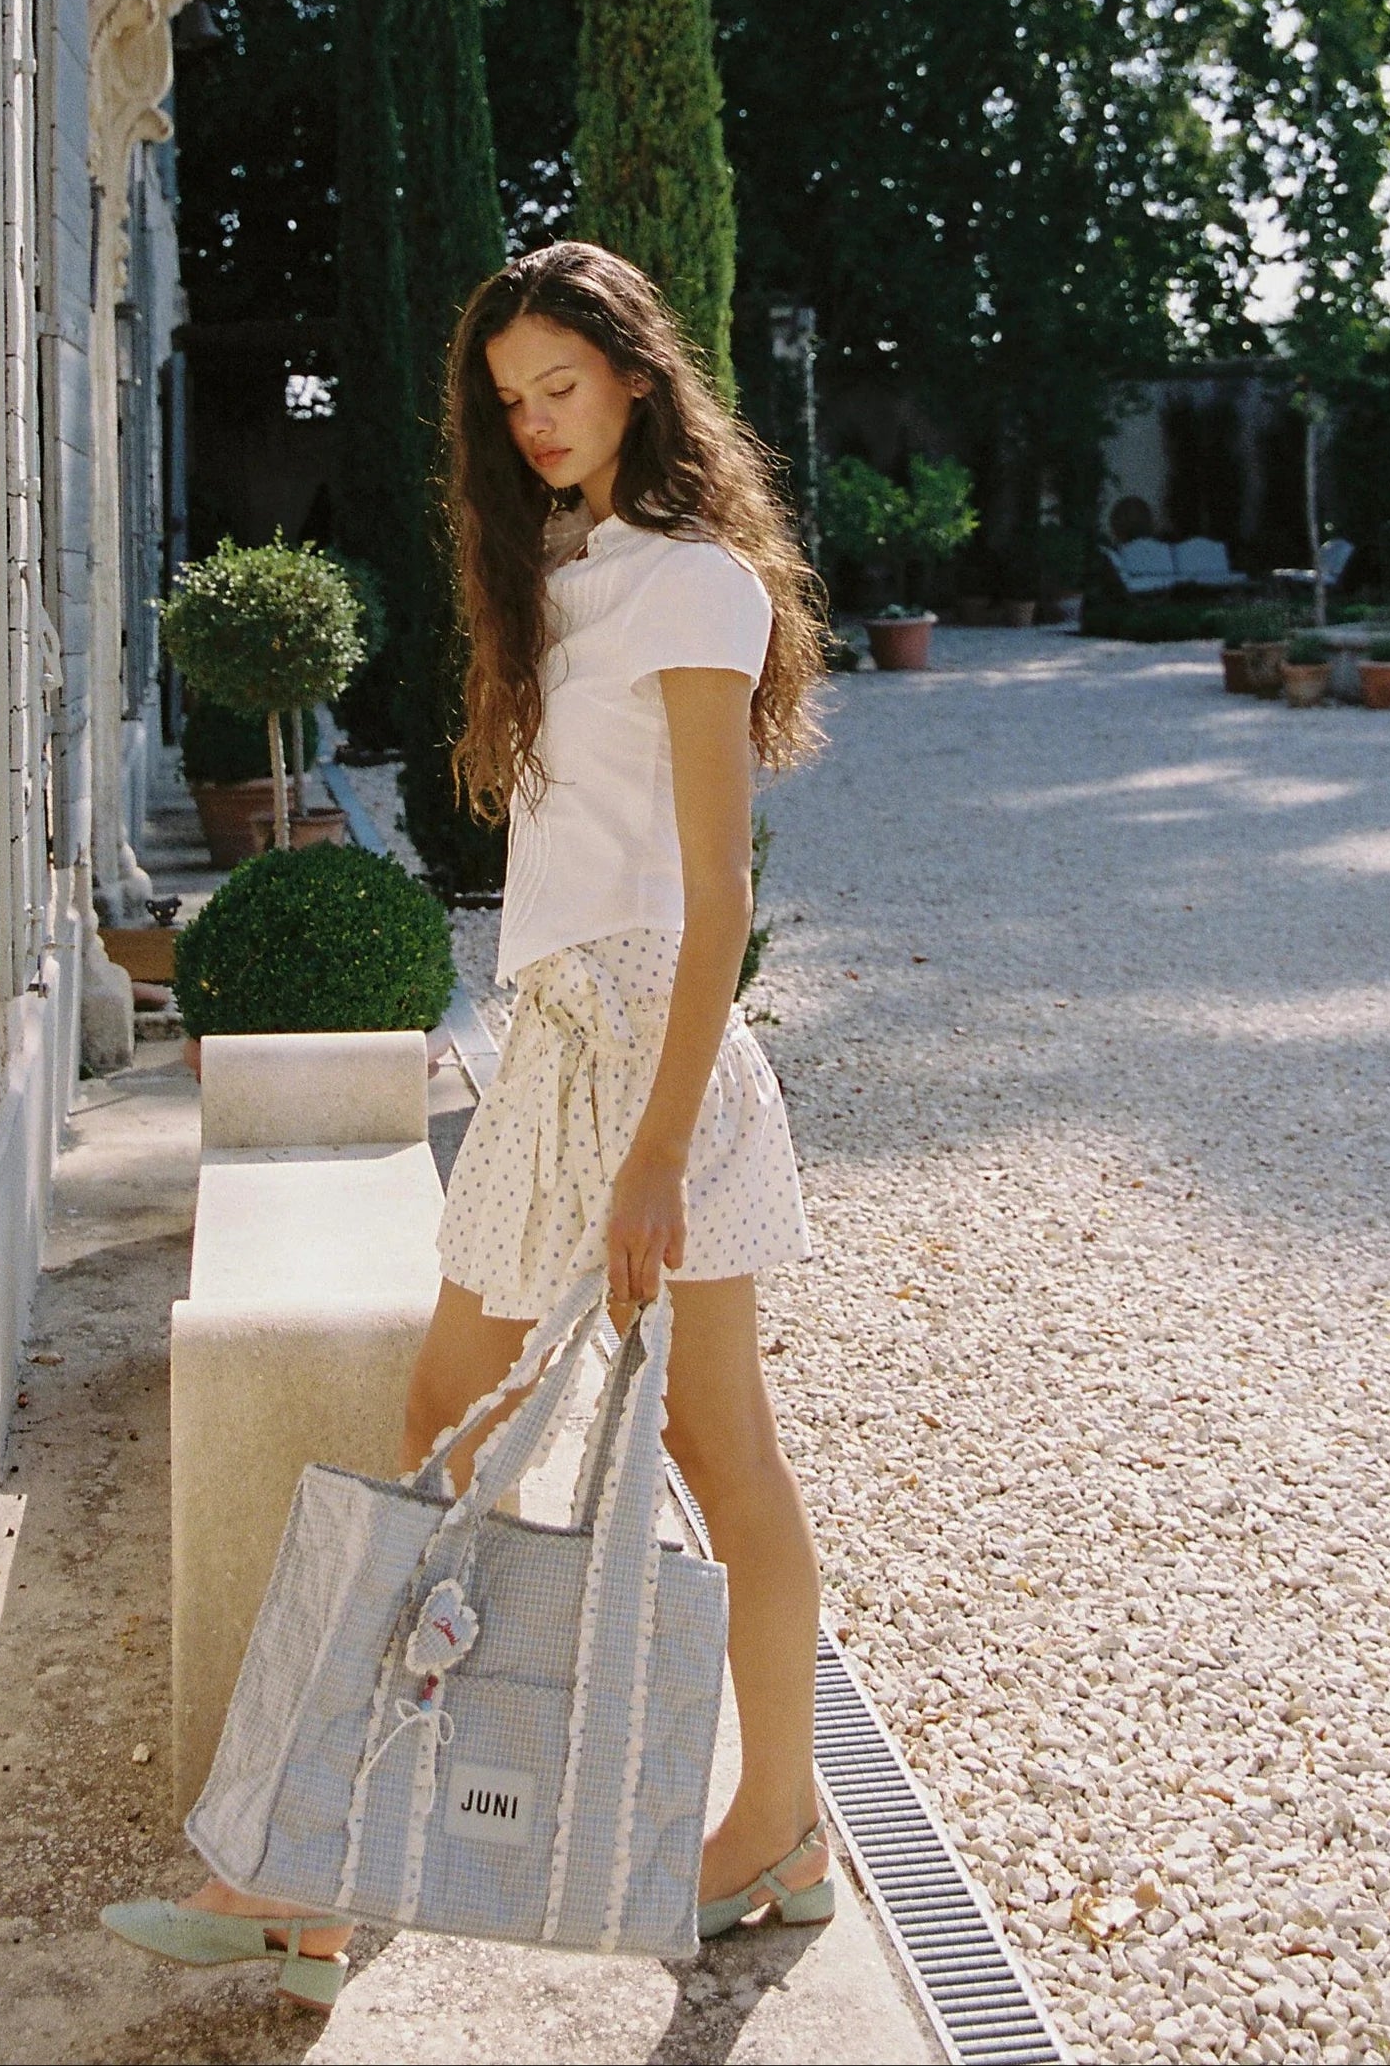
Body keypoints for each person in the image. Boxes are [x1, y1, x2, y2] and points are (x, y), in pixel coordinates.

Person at [105, 240, 830, 2008]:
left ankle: (783, 1822)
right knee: (443, 1411)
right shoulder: (568, 577)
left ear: (639, 378)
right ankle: (331, 1856)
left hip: (659, 1055)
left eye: (561, 388)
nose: (535, 424)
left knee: (720, 1459)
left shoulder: (699, 586)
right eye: (511, 402)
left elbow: (720, 886)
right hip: (553, 1047)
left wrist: (658, 1148)